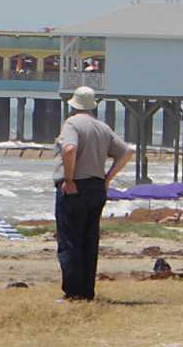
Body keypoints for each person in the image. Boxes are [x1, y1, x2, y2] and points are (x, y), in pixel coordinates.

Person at [54, 86, 133, 302]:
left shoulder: (71, 124)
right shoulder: (102, 127)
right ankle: (87, 291)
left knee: (70, 240)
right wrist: (107, 178)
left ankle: (72, 293)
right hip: (97, 187)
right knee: (90, 241)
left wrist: (69, 180)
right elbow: (127, 152)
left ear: (73, 105)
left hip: (75, 187)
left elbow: (69, 149)